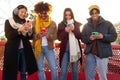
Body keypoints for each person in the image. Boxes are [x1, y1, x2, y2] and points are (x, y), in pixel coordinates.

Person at [81, 5, 117, 80]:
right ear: (90, 14)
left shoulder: (107, 24)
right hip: (90, 53)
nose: (94, 14)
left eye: (96, 12)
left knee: (103, 75)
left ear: (98, 13)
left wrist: (103, 36)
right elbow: (83, 38)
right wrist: (89, 38)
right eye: (92, 13)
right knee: (89, 75)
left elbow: (114, 36)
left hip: (103, 53)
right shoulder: (86, 26)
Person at [2, 5, 38, 80]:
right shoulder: (9, 21)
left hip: (24, 50)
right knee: (11, 72)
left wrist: (29, 30)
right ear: (16, 12)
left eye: (25, 12)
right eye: (22, 12)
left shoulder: (26, 22)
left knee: (23, 71)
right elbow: (8, 35)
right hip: (12, 51)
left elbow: (29, 37)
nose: (24, 14)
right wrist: (19, 30)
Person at [33, 1, 58, 80]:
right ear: (38, 13)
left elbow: (56, 36)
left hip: (49, 48)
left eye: (45, 13)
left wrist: (49, 36)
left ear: (48, 12)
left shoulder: (53, 23)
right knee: (40, 69)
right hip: (38, 48)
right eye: (41, 13)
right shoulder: (35, 23)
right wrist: (38, 35)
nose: (43, 15)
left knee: (53, 68)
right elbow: (31, 36)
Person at [57, 8, 82, 80]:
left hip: (75, 50)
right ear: (64, 16)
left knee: (74, 71)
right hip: (65, 50)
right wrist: (65, 31)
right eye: (66, 15)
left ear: (72, 15)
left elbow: (80, 36)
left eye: (69, 15)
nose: (68, 17)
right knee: (63, 71)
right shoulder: (61, 24)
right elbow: (59, 38)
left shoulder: (76, 24)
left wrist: (74, 30)